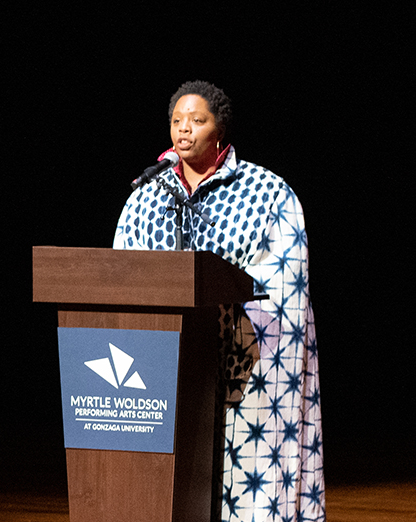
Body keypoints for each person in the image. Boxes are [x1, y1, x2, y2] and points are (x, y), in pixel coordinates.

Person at [113, 80, 325, 522]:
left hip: (242, 364)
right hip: (161, 364)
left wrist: (224, 306)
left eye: (197, 120)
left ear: (220, 130)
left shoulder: (266, 192)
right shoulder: (145, 196)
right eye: (176, 121)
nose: (183, 130)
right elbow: (120, 275)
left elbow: (285, 283)